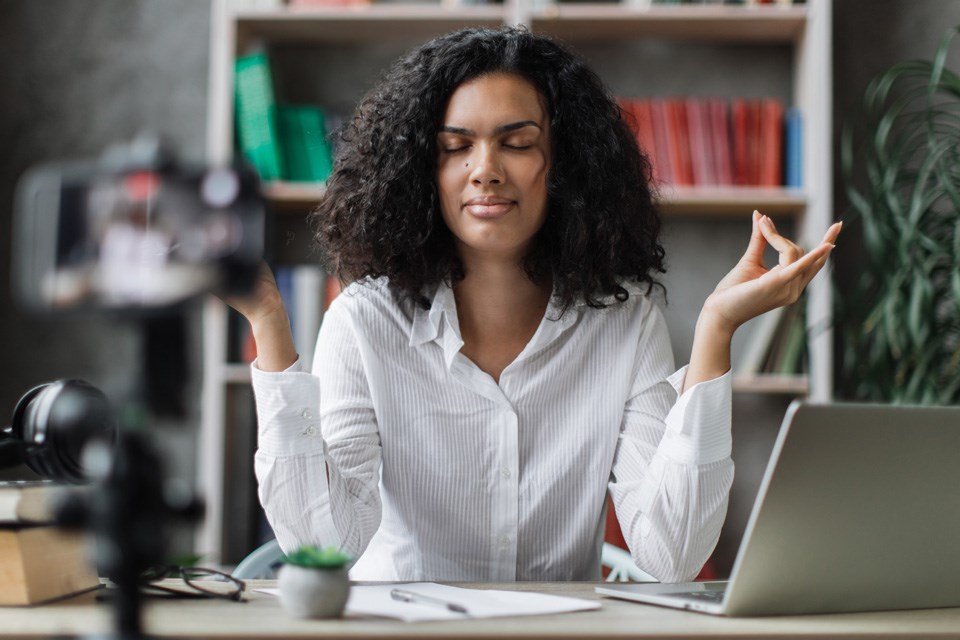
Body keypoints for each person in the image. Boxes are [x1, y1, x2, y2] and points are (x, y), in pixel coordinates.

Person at [228, 26, 841, 582]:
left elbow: (671, 555)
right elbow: (324, 541)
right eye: (454, 146)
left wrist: (716, 331)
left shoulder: (625, 323)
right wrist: (269, 324)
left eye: (517, 143)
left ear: (565, 167)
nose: (485, 170)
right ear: (420, 168)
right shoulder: (363, 320)